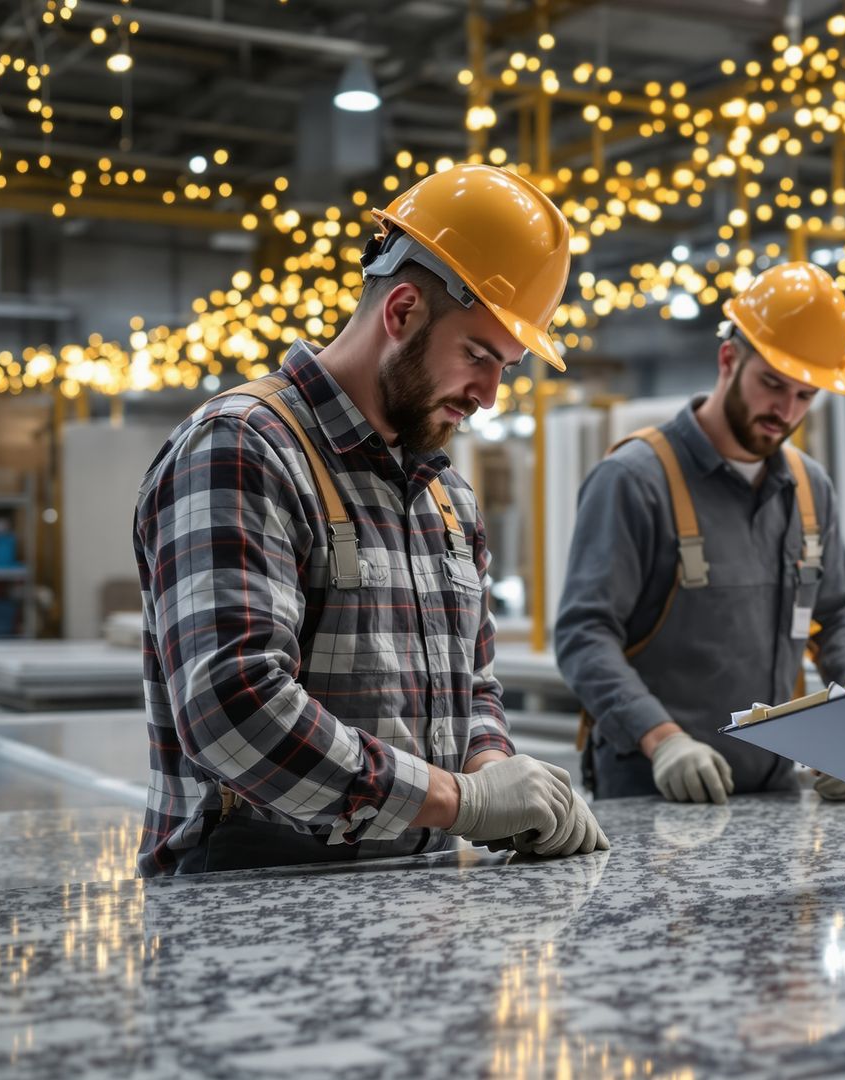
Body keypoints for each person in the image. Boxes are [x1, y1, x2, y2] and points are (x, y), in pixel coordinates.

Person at [135, 164, 607, 875]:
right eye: (478, 355)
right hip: (251, 904)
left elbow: (470, 686)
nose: (489, 393)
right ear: (403, 311)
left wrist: (496, 771)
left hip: (417, 899)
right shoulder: (243, 449)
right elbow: (232, 709)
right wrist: (460, 800)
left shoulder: (446, 498)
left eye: (505, 365)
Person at [556, 262, 845, 803]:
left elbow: (840, 615)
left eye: (806, 395)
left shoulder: (809, 488)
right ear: (729, 359)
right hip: (651, 792)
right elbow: (584, 635)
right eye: (773, 384)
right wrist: (663, 742)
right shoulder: (635, 481)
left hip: (773, 790)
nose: (786, 410)